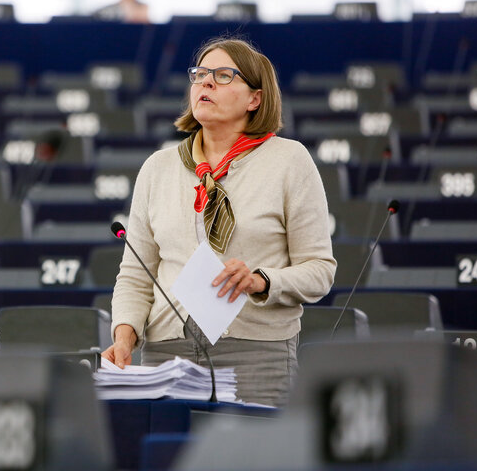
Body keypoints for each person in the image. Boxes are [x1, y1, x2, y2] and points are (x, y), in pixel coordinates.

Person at [102, 37, 336, 407]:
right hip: (168, 354)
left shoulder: (290, 161)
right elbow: (136, 275)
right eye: (200, 75)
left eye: (223, 76)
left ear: (254, 99)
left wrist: (262, 280)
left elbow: (320, 270)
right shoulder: (157, 168)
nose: (206, 83)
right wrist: (124, 336)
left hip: (257, 354)